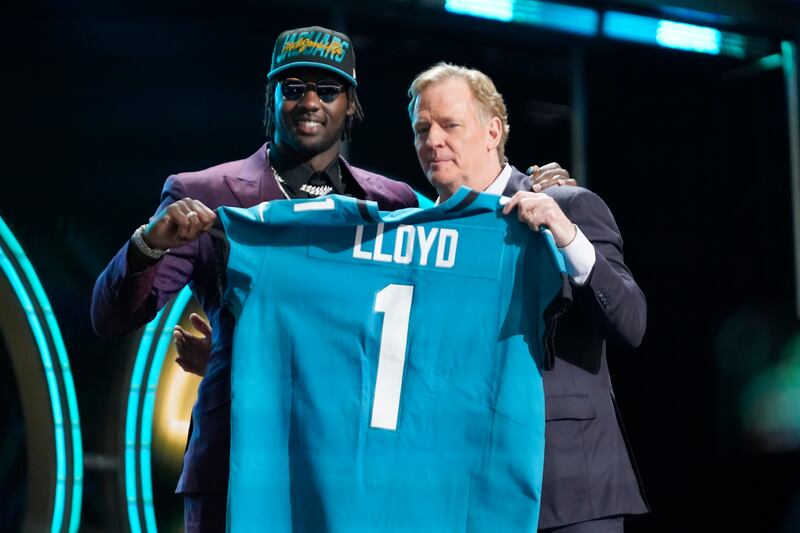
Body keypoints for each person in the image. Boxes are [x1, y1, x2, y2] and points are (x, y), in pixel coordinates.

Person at [91, 26, 418, 532]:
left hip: (352, 468)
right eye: (294, 89)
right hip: (237, 462)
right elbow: (113, 316)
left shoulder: (395, 204)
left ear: (350, 104)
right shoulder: (204, 192)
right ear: (272, 99)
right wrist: (148, 243)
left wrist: (531, 190)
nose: (310, 102)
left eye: (327, 90)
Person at [407, 63, 648, 532]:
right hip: (464, 490)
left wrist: (565, 235)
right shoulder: (419, 237)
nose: (432, 139)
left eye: (449, 124)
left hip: (568, 489)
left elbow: (631, 324)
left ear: (493, 130)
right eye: (422, 128)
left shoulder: (569, 205)